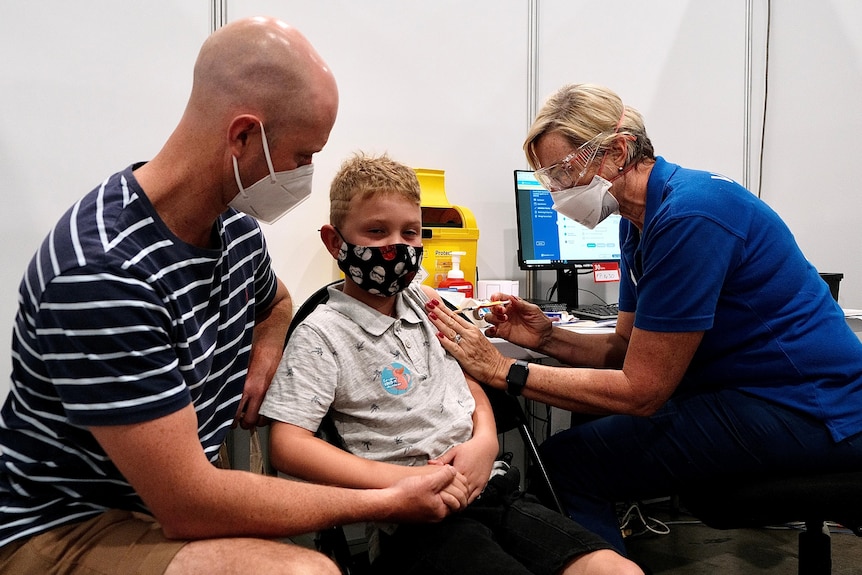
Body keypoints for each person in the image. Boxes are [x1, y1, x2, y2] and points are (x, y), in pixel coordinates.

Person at [0, 18, 471, 575]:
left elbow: (275, 302)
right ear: (243, 136)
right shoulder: (104, 274)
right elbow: (188, 505)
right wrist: (387, 501)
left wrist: (264, 352)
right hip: (72, 523)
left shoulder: (237, 233)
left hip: (175, 493)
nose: (307, 175)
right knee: (308, 572)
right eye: (302, 156)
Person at [422, 83, 862, 553]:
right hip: (760, 394)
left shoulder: (690, 215)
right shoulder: (640, 225)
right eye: (548, 179)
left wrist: (502, 369)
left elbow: (641, 391)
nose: (555, 193)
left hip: (815, 408)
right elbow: (623, 348)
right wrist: (545, 338)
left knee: (569, 464)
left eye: (563, 172)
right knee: (582, 440)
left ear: (617, 150)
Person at [261, 152, 644, 575]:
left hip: (493, 491)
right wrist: (402, 485)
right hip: (415, 517)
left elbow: (469, 379)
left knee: (617, 568)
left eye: (410, 233)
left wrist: (485, 443)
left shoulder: (429, 305)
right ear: (335, 242)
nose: (398, 246)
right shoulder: (322, 334)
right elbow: (287, 445)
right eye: (376, 231)